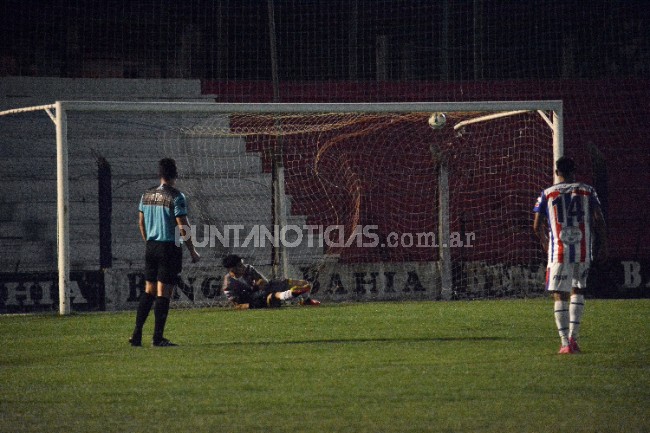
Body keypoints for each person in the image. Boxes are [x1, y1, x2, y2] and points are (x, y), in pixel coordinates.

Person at [533, 156, 607, 354]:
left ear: (557, 172)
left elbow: (536, 224)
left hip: (558, 251)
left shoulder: (547, 193)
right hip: (582, 249)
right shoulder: (587, 190)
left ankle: (565, 343)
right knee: (578, 290)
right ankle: (574, 338)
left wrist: (545, 242)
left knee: (559, 295)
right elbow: (598, 219)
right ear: (574, 171)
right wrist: (604, 244)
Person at [129, 158, 201, 347]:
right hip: (168, 248)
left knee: (148, 290)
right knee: (163, 292)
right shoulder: (176, 197)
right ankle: (157, 338)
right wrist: (192, 250)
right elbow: (182, 225)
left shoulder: (146, 195)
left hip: (151, 246)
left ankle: (136, 334)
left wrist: (148, 242)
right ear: (175, 174)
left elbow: (140, 222)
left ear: (160, 174)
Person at [221, 254, 320, 309]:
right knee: (271, 297)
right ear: (232, 270)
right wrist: (252, 306)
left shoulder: (248, 269)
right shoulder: (229, 284)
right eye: (239, 266)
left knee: (302, 283)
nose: (243, 267)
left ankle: (306, 300)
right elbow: (237, 305)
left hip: (262, 292)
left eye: (242, 264)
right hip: (253, 301)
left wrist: (261, 283)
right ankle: (291, 293)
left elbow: (265, 283)